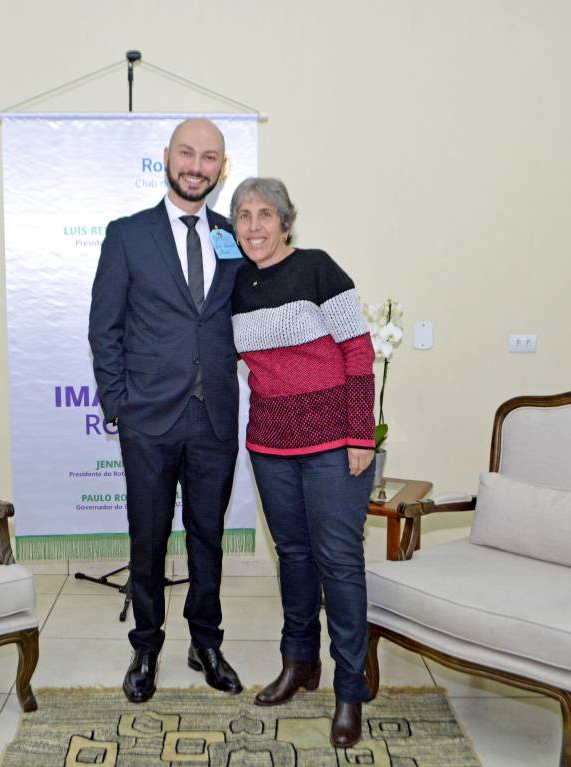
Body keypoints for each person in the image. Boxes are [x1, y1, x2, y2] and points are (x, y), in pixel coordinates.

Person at [88, 118, 245, 704]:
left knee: (208, 538)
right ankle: (147, 645)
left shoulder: (233, 237)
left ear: (221, 168)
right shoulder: (127, 235)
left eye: (209, 157)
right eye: (187, 153)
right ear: (166, 157)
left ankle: (206, 642)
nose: (196, 166)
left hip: (214, 418)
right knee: (149, 539)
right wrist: (118, 404)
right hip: (149, 419)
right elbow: (104, 327)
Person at [229, 177, 376, 747]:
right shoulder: (237, 284)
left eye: (265, 214)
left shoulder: (318, 268)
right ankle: (299, 663)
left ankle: (349, 688)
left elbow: (358, 351)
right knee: (292, 557)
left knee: (338, 561)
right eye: (244, 215)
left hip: (334, 444)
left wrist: (360, 433)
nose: (254, 225)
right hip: (269, 444)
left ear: (286, 222)